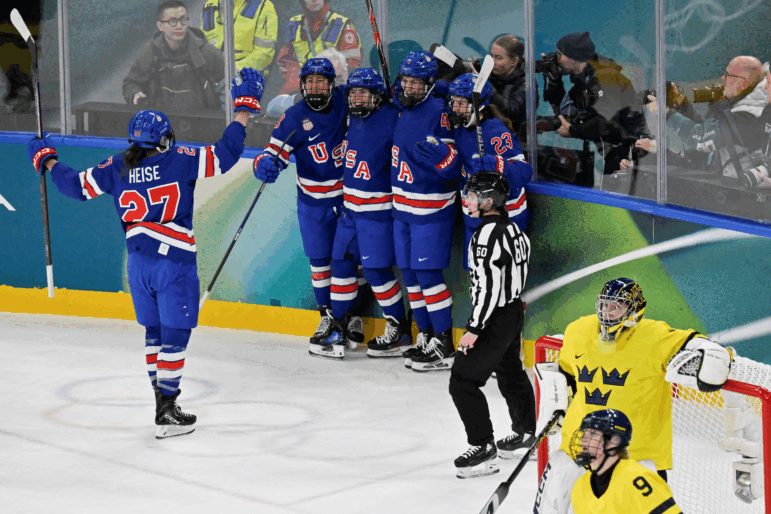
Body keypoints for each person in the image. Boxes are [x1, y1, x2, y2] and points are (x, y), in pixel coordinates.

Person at [28, 68, 265, 438]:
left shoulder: (115, 166)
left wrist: (48, 160)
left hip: (138, 264)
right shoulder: (180, 158)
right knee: (176, 336)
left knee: (154, 332)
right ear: (164, 139)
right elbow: (227, 154)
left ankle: (161, 401)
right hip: (174, 263)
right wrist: (243, 111)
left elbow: (74, 187)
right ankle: (167, 406)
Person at [533, 277, 732, 514]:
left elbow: (698, 343)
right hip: (578, 445)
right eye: (604, 305)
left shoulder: (655, 335)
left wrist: (713, 355)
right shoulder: (578, 330)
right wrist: (554, 406)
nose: (607, 312)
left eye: (616, 306)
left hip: (634, 454)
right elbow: (565, 374)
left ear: (634, 310)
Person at [253, 57, 364, 358]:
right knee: (320, 264)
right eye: (310, 81)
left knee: (350, 262)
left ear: (332, 84)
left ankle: (348, 316)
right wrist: (263, 165)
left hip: (347, 199)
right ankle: (328, 319)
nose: (315, 86)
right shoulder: (292, 117)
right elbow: (272, 152)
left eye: (321, 81)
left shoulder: (345, 100)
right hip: (313, 204)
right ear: (302, 84)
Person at [450, 171, 535, 479]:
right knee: (510, 369)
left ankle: (483, 448)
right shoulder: (515, 230)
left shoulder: (485, 236)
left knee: (462, 380)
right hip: (513, 311)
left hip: (494, 316)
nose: (467, 199)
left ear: (488, 201)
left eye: (472, 196)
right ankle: (526, 434)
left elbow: (488, 287)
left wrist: (474, 328)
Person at [389, 51, 459, 373]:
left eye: (416, 82)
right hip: (402, 207)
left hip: (431, 207)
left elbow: (452, 168)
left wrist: (443, 156)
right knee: (412, 277)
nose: (409, 87)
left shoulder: (439, 113)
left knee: (428, 275)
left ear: (431, 83)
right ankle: (426, 334)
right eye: (405, 80)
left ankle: (444, 342)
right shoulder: (405, 107)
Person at [446, 73, 533, 271]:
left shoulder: (495, 132)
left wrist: (498, 165)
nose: (454, 108)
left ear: (478, 105)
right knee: (477, 276)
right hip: (475, 215)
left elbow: (524, 172)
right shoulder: (461, 126)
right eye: (454, 102)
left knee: (501, 280)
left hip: (505, 219)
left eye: (461, 103)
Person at [647, 56, 769, 188]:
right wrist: (683, 106)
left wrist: (667, 114)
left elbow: (701, 139)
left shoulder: (747, 116)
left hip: (742, 191)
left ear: (743, 83)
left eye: (727, 74)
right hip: (735, 186)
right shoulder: (748, 105)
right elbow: (710, 131)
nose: (722, 78)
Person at [539, 31, 647, 180]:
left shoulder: (605, 77)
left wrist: (573, 131)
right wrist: (554, 81)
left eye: (559, 54)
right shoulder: (582, 83)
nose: (556, 59)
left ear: (574, 57)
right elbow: (564, 116)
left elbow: (605, 123)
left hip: (632, 153)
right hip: (611, 153)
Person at [569, 409, 683, 514]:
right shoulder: (579, 487)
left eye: (592, 434)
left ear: (613, 441)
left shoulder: (637, 479)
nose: (583, 440)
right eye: (584, 434)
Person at [123, 0, 225, 111]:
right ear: (160, 25)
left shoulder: (206, 52)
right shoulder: (150, 54)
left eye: (183, 20)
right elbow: (131, 83)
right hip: (161, 121)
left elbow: (230, 83)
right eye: (172, 21)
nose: (179, 26)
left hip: (201, 121)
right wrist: (135, 95)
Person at [275, 0, 362, 96]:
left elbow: (353, 63)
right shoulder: (294, 24)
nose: (314, 0)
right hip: (300, 85)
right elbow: (285, 61)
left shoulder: (342, 24)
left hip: (332, 86)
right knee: (277, 105)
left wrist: (326, 80)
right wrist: (299, 78)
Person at [201, 0, 278, 76]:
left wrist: (232, 70)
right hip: (213, 77)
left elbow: (265, 54)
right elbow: (202, 47)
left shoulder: (264, 7)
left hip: (247, 78)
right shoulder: (210, 6)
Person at [488, 35, 532, 133]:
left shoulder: (527, 83)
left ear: (514, 61)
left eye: (498, 58)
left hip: (516, 139)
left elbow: (512, 112)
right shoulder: (492, 72)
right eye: (491, 56)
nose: (492, 61)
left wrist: (487, 88)